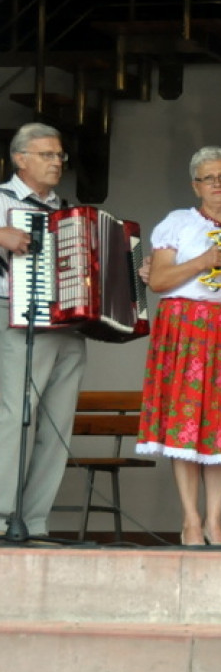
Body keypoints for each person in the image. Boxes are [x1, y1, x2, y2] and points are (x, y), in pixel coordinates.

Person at [136, 147, 221, 546]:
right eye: (208, 178)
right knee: (186, 421)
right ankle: (191, 519)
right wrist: (204, 261)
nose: (216, 184)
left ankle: (215, 520)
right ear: (196, 185)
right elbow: (158, 281)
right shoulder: (178, 224)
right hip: (187, 326)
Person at [0, 123, 85, 538]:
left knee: (56, 423)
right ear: (20, 159)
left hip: (67, 325)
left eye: (59, 156)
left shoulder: (67, 210)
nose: (57, 162)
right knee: (16, 415)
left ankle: (33, 521)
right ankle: (1, 516)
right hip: (15, 317)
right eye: (47, 155)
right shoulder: (1, 199)